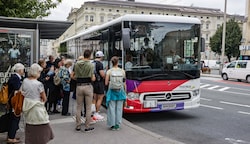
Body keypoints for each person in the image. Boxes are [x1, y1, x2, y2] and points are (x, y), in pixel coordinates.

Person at [22, 63, 54, 144]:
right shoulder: (38, 84)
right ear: (36, 72)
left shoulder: (25, 81)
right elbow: (44, 98)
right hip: (37, 108)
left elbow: (22, 92)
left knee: (30, 127)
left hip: (27, 107)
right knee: (42, 128)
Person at [73, 49, 95, 132]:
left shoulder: (76, 64)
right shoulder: (91, 65)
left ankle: (78, 126)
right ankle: (87, 126)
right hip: (88, 86)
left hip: (79, 86)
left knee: (78, 107)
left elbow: (72, 76)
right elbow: (92, 78)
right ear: (89, 56)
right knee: (88, 108)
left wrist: (79, 78)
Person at [105, 56, 126, 130]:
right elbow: (124, 83)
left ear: (111, 62)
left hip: (112, 91)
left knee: (112, 108)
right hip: (120, 91)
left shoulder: (109, 71)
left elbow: (106, 83)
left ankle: (112, 125)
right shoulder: (122, 71)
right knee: (119, 108)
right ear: (118, 62)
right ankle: (118, 125)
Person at [7, 63, 25, 143]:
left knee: (13, 118)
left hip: (13, 100)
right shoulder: (16, 78)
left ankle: (11, 135)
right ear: (20, 70)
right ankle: (11, 137)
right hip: (15, 101)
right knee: (15, 118)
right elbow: (17, 90)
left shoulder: (14, 77)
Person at [92, 51, 105, 120]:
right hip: (99, 83)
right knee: (100, 98)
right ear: (101, 56)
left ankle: (93, 113)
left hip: (93, 83)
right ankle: (96, 113)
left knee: (94, 98)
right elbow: (102, 74)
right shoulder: (100, 64)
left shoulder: (92, 63)